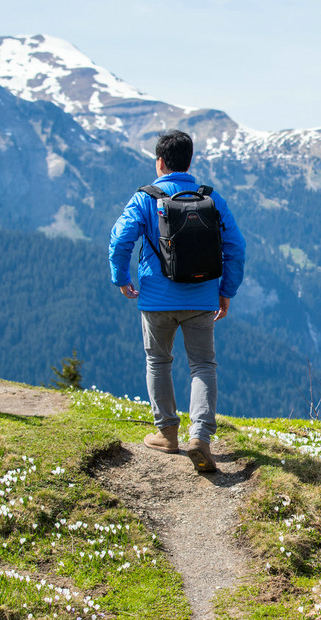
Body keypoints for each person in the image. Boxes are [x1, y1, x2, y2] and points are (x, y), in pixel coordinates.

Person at [109, 129, 246, 472]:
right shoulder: (210, 198)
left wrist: (121, 278)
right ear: (190, 161)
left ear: (159, 162)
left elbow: (120, 241)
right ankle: (200, 437)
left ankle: (167, 435)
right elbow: (236, 248)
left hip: (155, 298)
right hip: (201, 297)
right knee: (202, 365)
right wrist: (225, 292)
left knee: (158, 361)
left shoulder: (145, 198)